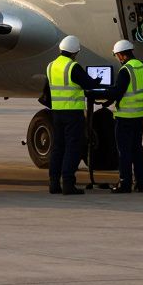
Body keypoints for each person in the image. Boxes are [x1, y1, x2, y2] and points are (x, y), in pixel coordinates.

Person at [40, 35, 96, 195]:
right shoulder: (73, 67)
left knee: (58, 147)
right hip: (73, 113)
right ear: (76, 52)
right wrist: (98, 80)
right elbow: (88, 84)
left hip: (57, 113)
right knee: (73, 147)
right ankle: (68, 183)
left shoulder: (51, 66)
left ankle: (53, 183)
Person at [98, 39, 143, 193]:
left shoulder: (125, 70)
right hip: (140, 115)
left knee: (124, 151)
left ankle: (124, 183)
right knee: (137, 150)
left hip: (125, 116)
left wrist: (104, 96)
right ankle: (141, 183)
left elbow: (117, 91)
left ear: (121, 55)